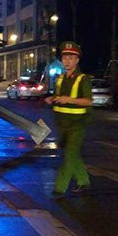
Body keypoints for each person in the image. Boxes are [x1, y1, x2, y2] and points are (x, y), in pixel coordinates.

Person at [44, 41, 93, 196]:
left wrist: (68, 99)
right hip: (62, 124)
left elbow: (88, 101)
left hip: (77, 124)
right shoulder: (60, 78)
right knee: (72, 154)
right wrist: (52, 99)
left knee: (70, 155)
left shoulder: (83, 79)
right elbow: (59, 97)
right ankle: (84, 181)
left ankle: (59, 188)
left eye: (71, 58)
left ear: (77, 60)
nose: (67, 61)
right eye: (65, 58)